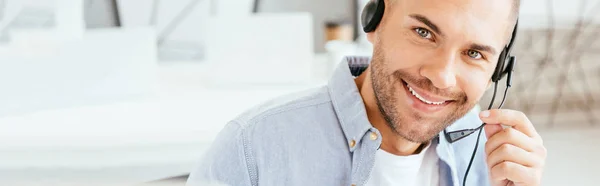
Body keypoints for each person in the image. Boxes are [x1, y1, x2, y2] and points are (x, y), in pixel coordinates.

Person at [187, 0, 547, 185]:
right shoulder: (254, 150)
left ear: (498, 69)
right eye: (424, 33)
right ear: (374, 22)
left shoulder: (489, 155)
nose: (442, 77)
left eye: (474, 53)